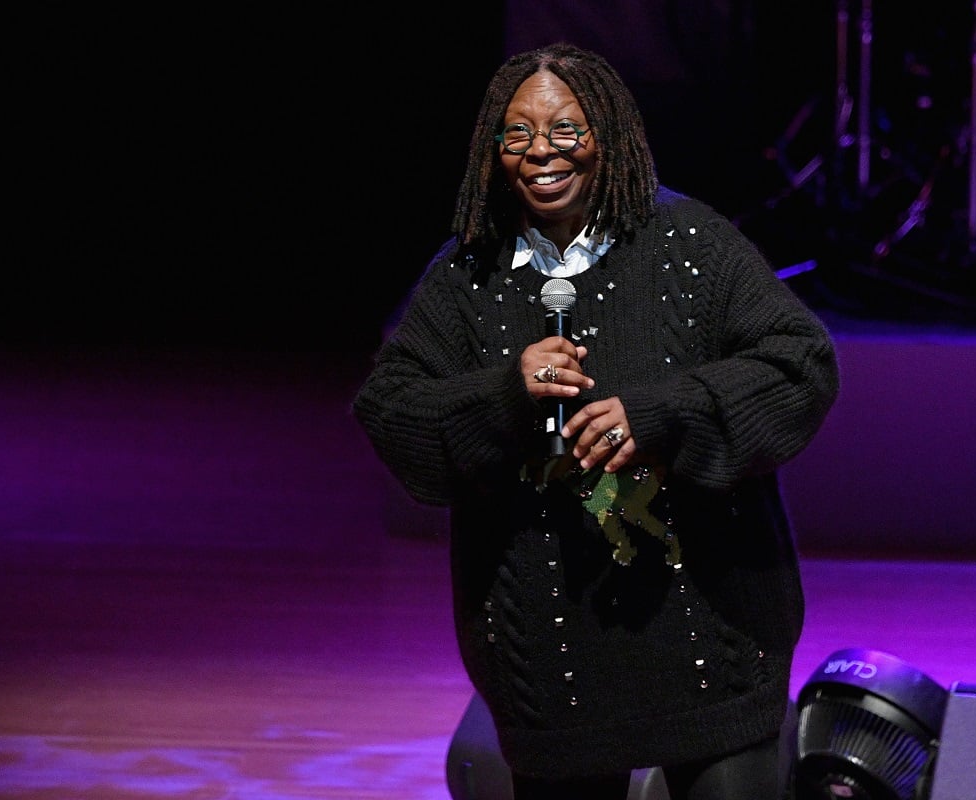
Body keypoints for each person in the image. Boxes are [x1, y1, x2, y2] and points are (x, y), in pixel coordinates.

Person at [353, 42, 840, 800]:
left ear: (608, 135)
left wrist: (665, 415)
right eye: (517, 134)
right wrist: (507, 397)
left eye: (564, 131)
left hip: (708, 644)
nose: (540, 153)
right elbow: (392, 411)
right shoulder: (468, 274)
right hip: (555, 666)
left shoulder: (690, 245)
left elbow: (801, 362)